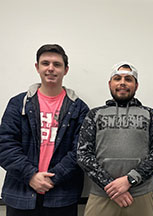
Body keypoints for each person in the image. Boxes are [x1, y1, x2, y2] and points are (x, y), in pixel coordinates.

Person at [0, 44, 89, 216]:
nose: (50, 69)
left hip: (62, 197)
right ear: (37, 67)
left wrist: (52, 179)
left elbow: (81, 151)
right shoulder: (19, 104)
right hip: (20, 194)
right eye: (45, 63)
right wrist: (31, 175)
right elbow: (5, 145)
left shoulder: (79, 108)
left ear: (66, 70)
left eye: (57, 64)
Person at [77, 61, 153, 216]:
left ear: (136, 85)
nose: (122, 83)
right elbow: (83, 155)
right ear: (110, 83)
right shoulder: (94, 114)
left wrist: (129, 180)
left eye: (128, 79)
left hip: (140, 195)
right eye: (117, 78)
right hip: (102, 195)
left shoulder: (150, 115)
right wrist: (111, 186)